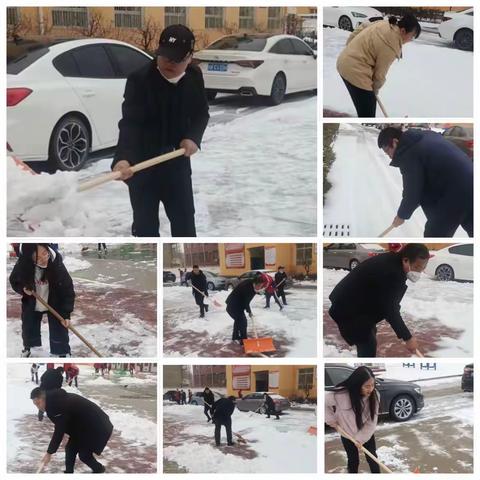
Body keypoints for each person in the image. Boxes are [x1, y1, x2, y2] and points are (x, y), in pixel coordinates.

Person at [112, 24, 210, 237]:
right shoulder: (140, 80)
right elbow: (130, 123)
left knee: (185, 223)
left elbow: (201, 114)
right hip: (143, 166)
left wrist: (192, 138)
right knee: (145, 228)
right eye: (165, 57)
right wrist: (123, 158)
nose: (169, 63)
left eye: (177, 60)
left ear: (190, 58)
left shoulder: (194, 77)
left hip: (177, 165)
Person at [329, 244, 429, 357]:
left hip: (360, 303)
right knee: (367, 343)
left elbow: (388, 303)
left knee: (369, 332)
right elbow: (390, 310)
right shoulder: (391, 272)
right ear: (406, 260)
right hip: (347, 308)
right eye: (416, 267)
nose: (418, 273)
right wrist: (408, 338)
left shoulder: (395, 262)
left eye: (421, 269)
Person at [378, 127, 473, 237]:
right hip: (471, 182)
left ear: (395, 142)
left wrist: (401, 216)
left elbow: (412, 193)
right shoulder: (425, 135)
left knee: (435, 234)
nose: (389, 156)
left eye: (387, 151)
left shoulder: (409, 154)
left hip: (457, 192)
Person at [337, 15, 421, 117]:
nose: (410, 40)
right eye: (411, 37)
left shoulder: (385, 23)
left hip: (344, 61)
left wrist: (349, 47)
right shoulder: (391, 45)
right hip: (355, 71)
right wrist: (374, 91)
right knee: (368, 113)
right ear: (403, 31)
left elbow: (363, 26)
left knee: (366, 105)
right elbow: (380, 74)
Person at [9, 243, 75, 358]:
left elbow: (67, 290)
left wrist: (66, 315)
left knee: (60, 327)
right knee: (29, 326)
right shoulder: (23, 265)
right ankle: (31, 349)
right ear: (30, 259)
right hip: (33, 301)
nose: (44, 259)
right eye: (38, 258)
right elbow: (14, 280)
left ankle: (61, 353)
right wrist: (23, 289)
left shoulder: (56, 263)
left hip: (55, 302)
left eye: (45, 253)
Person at [31, 387, 113, 473]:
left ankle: (99, 470)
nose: (38, 407)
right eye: (35, 404)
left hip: (97, 426)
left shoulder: (57, 404)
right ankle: (69, 473)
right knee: (70, 448)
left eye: (38, 403)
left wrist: (49, 453)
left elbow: (59, 430)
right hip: (82, 427)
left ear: (44, 398)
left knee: (84, 454)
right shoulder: (52, 402)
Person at [325, 366, 380, 474]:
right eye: (367, 386)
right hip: (346, 434)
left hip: (365, 433)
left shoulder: (375, 395)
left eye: (373, 385)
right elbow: (323, 404)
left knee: (372, 458)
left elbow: (372, 421)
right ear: (357, 385)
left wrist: (361, 438)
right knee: (353, 460)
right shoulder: (340, 395)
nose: (371, 389)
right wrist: (331, 420)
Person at [226, 273, 266, 345]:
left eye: (261, 286)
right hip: (233, 307)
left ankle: (235, 336)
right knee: (243, 322)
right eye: (259, 286)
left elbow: (249, 294)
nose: (260, 287)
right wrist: (249, 312)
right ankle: (244, 341)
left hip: (235, 305)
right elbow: (246, 302)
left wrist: (257, 291)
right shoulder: (247, 289)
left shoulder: (250, 282)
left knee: (238, 320)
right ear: (255, 283)